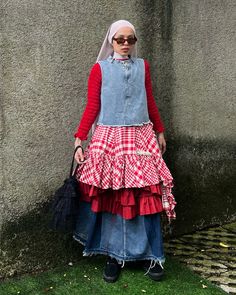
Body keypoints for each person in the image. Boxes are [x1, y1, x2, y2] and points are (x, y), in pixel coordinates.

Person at [73, 20, 176, 283]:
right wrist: (78, 140)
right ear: (111, 41)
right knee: (114, 198)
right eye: (120, 39)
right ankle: (113, 256)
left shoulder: (143, 67)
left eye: (131, 39)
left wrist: (160, 130)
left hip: (141, 138)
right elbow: (92, 106)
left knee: (145, 197)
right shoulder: (100, 69)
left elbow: (149, 98)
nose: (126, 43)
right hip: (110, 139)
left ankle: (151, 255)